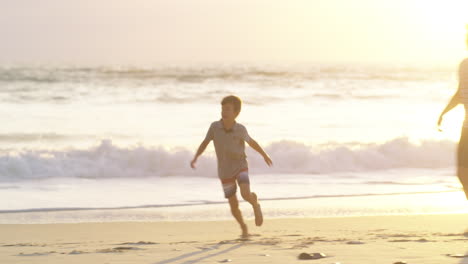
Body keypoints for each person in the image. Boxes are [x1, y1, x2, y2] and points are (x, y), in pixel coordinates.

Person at [190, 95, 273, 238]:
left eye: (228, 109)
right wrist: (196, 157)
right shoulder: (214, 127)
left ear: (236, 112)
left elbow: (251, 142)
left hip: (240, 165)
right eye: (222, 109)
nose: (224, 112)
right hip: (224, 170)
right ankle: (244, 228)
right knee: (233, 205)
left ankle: (255, 204)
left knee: (245, 194)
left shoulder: (240, 129)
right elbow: (205, 142)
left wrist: (264, 155)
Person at [437, 27, 468, 200]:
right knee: (462, 171)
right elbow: (460, 93)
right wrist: (444, 113)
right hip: (466, 127)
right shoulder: (463, 65)